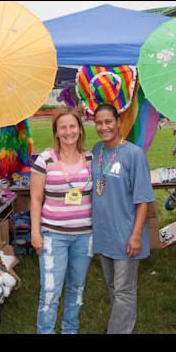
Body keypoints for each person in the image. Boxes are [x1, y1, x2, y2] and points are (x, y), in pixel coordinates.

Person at [91, 104, 155, 334]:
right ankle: (119, 325)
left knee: (124, 290)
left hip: (126, 233)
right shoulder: (97, 150)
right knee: (112, 287)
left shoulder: (134, 154)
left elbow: (143, 199)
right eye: (99, 123)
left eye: (108, 121)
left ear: (118, 122)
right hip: (103, 233)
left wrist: (136, 235)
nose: (104, 127)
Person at [30, 107, 93, 334]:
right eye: (63, 127)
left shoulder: (90, 159)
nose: (68, 132)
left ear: (80, 129)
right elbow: (36, 198)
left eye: (72, 126)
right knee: (50, 292)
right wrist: (35, 232)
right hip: (53, 236)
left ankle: (70, 330)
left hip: (85, 236)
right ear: (56, 132)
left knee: (77, 289)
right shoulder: (45, 159)